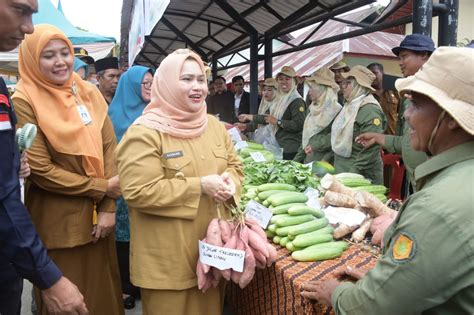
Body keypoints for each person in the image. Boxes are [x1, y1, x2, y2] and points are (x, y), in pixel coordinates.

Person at [301, 46, 474, 315]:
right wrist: (388, 284)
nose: (405, 115)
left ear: (450, 119)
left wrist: (337, 294)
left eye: (415, 104)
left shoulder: (437, 207)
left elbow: (378, 307)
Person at [116, 49, 243, 315]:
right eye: (186, 79)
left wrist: (232, 183)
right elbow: (139, 192)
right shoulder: (145, 133)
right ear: (167, 84)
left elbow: (235, 165)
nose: (197, 87)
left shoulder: (214, 126)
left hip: (212, 254)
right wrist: (199, 186)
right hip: (169, 263)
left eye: (200, 79)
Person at [12, 24, 123, 314]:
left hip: (101, 221)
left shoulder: (86, 91)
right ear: (32, 60)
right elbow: (41, 169)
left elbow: (109, 146)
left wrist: (109, 206)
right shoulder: (24, 100)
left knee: (105, 300)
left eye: (65, 53)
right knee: (72, 304)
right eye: (48, 55)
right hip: (61, 228)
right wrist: (102, 188)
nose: (60, 61)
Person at [0, 2, 88, 314]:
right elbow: (4, 195)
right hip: (44, 228)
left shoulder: (83, 93)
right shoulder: (24, 99)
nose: (28, 27)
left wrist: (11, 165)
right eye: (20, 10)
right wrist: (48, 277)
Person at [357, 34, 435, 193]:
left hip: (435, 182)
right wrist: (377, 137)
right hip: (415, 179)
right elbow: (407, 141)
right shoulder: (410, 94)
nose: (400, 62)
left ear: (424, 55)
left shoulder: (439, 93)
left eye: (404, 56)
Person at [108, 65, 153, 309]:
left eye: (152, 83)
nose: (150, 88)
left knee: (144, 236)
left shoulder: (154, 112)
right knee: (123, 239)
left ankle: (141, 282)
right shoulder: (114, 116)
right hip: (122, 187)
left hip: (149, 185)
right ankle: (125, 286)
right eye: (144, 84)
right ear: (132, 85)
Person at [331, 65, 386, 184]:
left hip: (361, 175)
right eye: (343, 83)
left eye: (348, 83)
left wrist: (352, 173)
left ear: (358, 86)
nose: (343, 86)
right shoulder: (350, 105)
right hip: (345, 170)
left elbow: (371, 148)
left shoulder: (369, 109)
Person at [294, 67, 342, 164]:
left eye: (312, 88)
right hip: (309, 161)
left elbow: (338, 137)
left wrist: (323, 160)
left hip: (326, 164)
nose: (309, 92)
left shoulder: (337, 111)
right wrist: (295, 162)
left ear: (321, 89)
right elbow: (306, 138)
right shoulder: (312, 108)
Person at [263, 66, 306, 160]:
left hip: (290, 149)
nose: (284, 82)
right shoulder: (280, 98)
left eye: (287, 79)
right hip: (279, 145)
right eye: (281, 79)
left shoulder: (296, 101)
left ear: (294, 81)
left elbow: (298, 124)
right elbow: (267, 117)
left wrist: (278, 122)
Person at [367, 63, 399, 135]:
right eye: (369, 74)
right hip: (372, 138)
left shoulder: (394, 91)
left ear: (382, 73)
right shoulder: (365, 94)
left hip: (391, 138)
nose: (372, 76)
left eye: (375, 73)